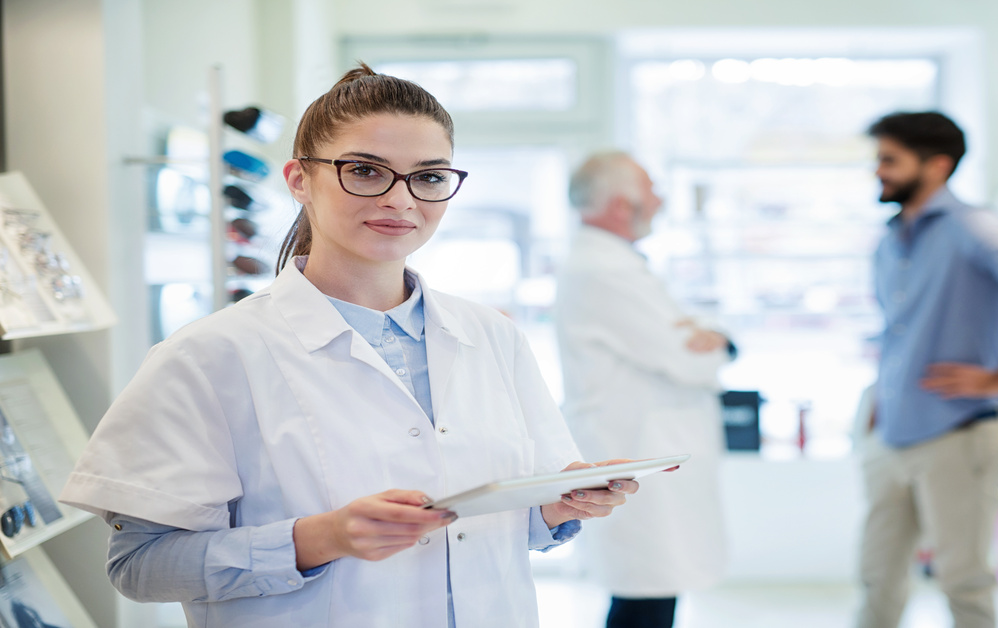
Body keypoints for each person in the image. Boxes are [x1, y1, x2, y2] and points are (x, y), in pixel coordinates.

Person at [59, 64, 641, 628]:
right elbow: (139, 567)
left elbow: (504, 521)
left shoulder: (493, 336)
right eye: (365, 171)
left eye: (430, 176)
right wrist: (322, 538)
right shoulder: (210, 355)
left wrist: (557, 508)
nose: (401, 200)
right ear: (298, 180)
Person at [857, 112, 998, 628]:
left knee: (963, 580)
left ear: (937, 165)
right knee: (877, 576)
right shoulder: (891, 236)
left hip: (957, 434)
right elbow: (898, 328)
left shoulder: (977, 227)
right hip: (890, 434)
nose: (878, 170)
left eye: (889, 159)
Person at [556, 152, 734, 628]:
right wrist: (716, 341)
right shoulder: (604, 270)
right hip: (634, 449)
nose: (660, 200)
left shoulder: (615, 263)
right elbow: (689, 358)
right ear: (620, 205)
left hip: (645, 447)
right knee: (644, 597)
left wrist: (706, 332)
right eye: (652, 189)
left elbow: (689, 337)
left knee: (651, 592)